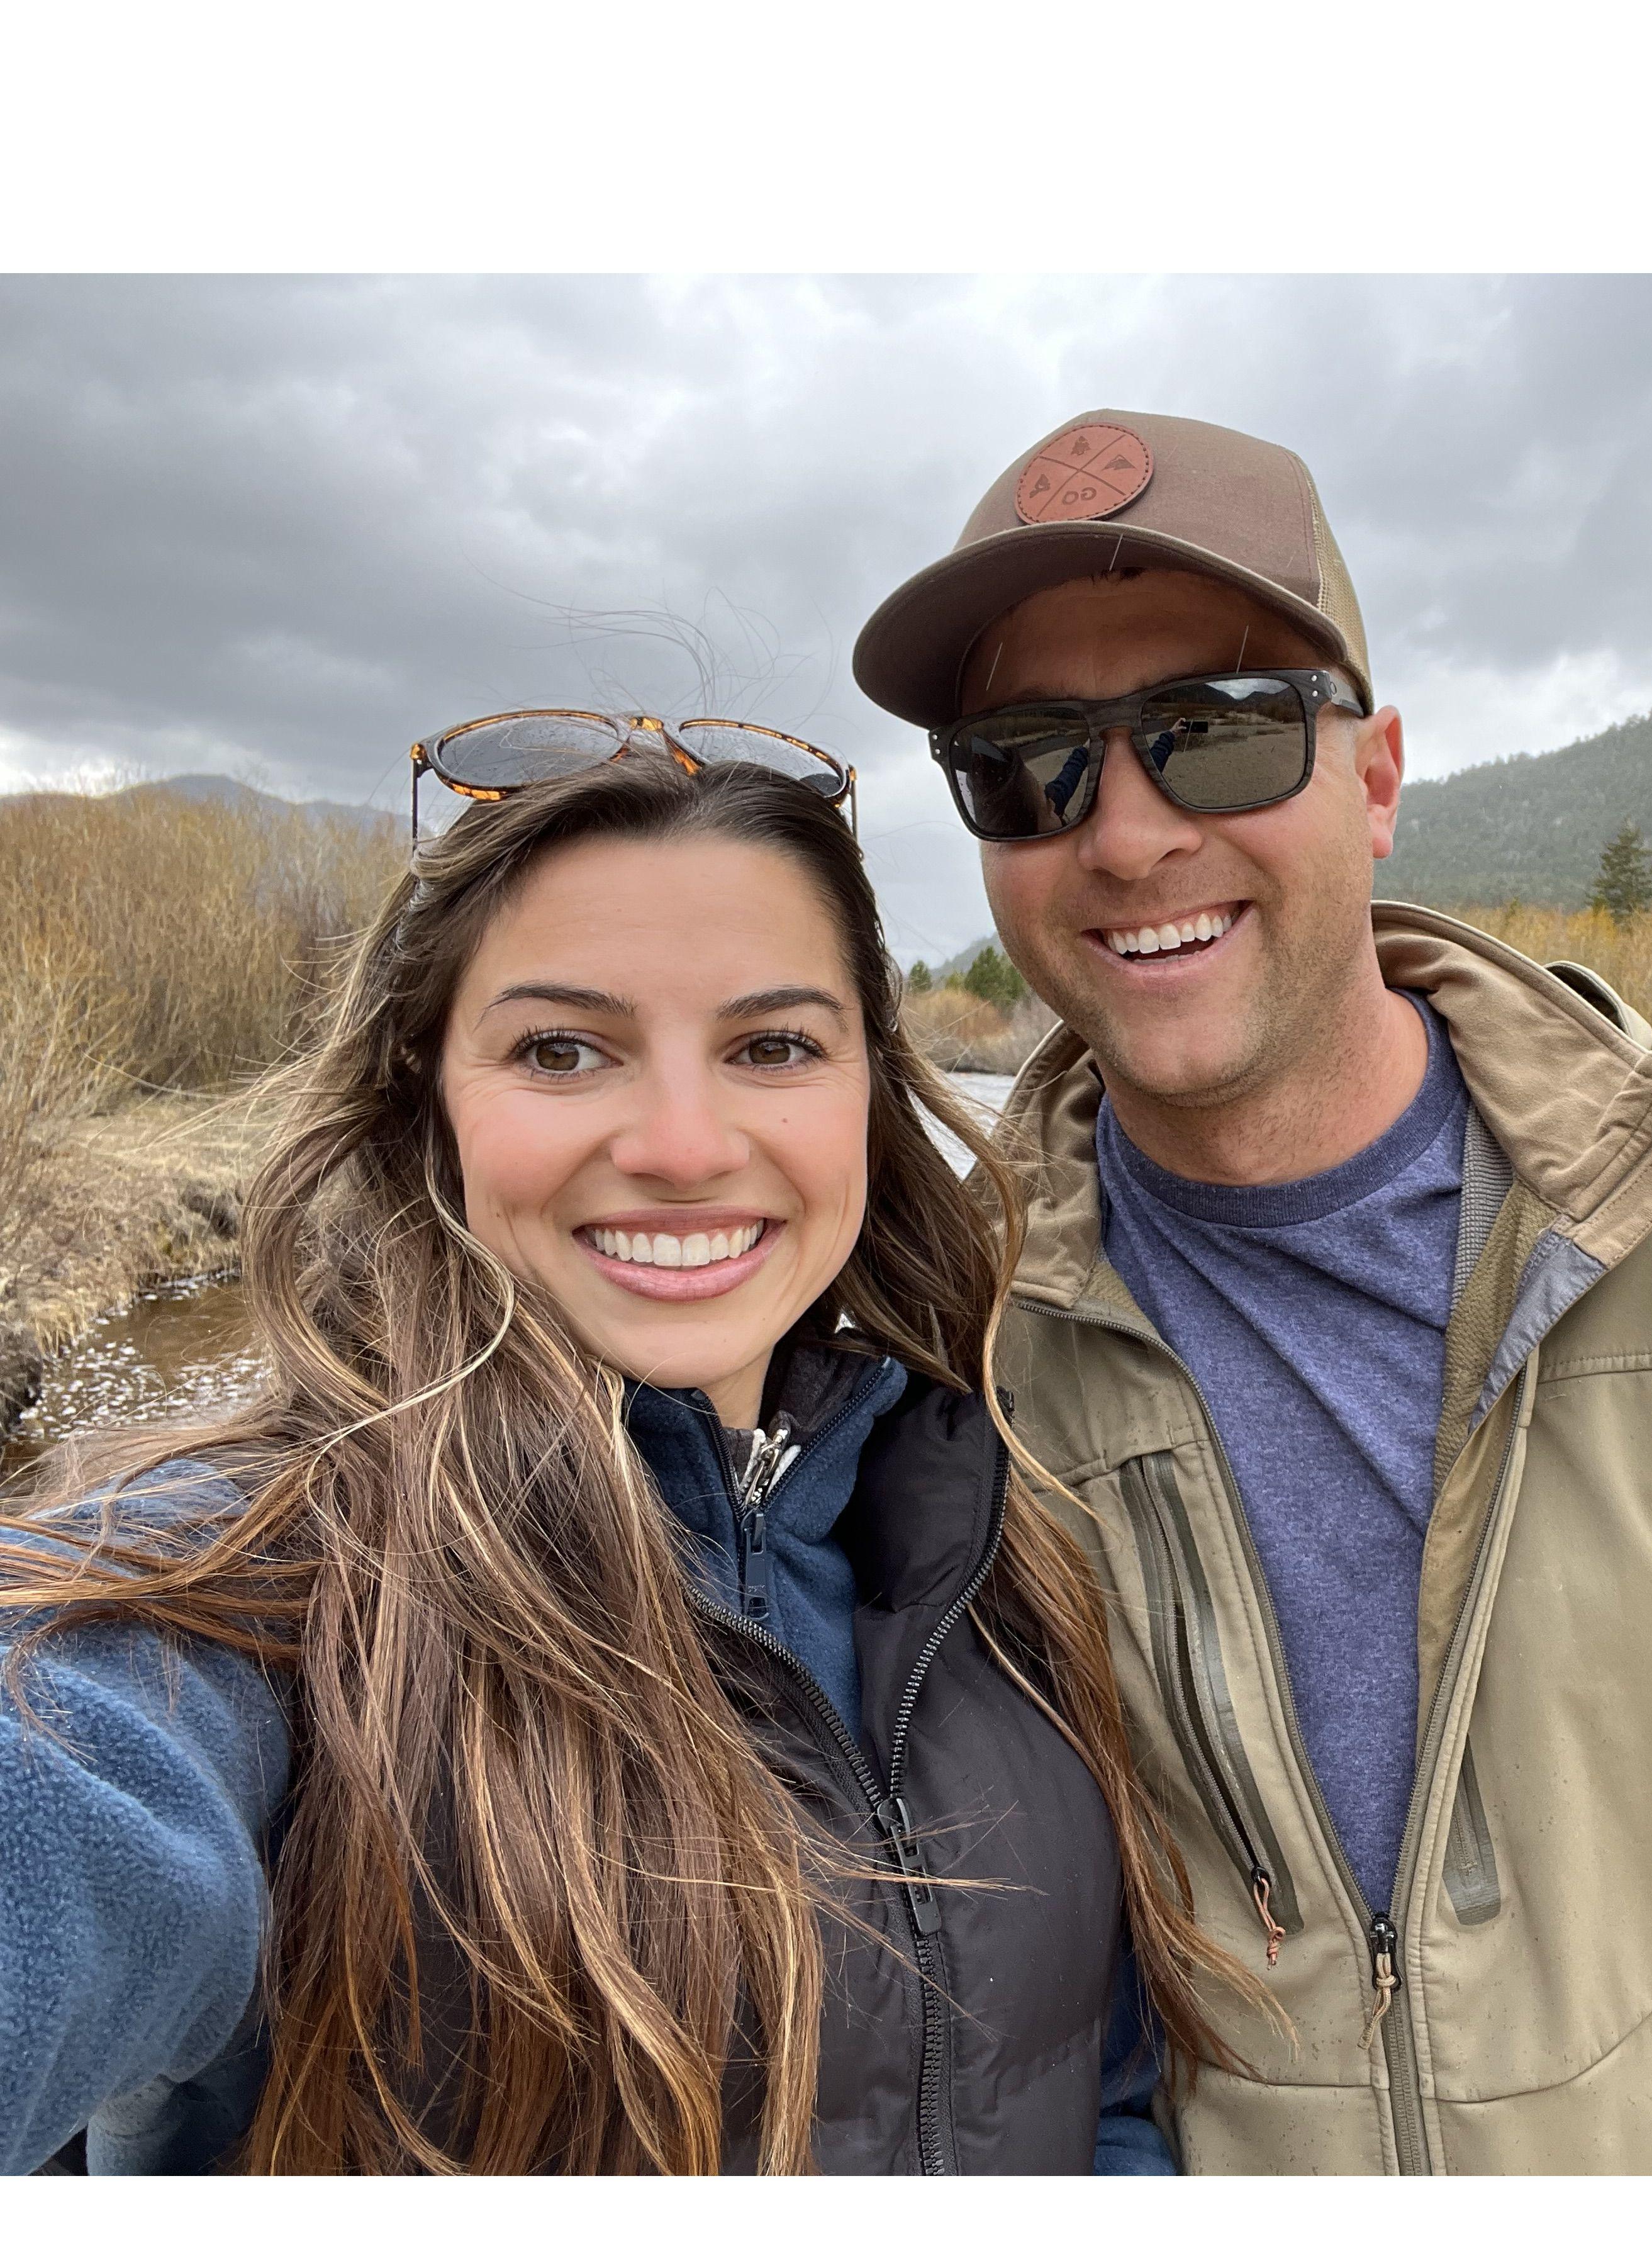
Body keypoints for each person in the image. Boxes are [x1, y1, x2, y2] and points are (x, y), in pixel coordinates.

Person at [852, 410, 1652, 2173]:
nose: (1124, 837)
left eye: (1212, 737)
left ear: (1372, 780)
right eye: (1027, 763)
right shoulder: (947, 1327)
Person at [0, 719, 1243, 2175]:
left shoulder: (999, 1530)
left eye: (772, 1044)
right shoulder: (240, 1581)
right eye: (563, 1049)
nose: (679, 1141)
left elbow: (1092, 2091)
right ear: (429, 1101)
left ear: (869, 1089)